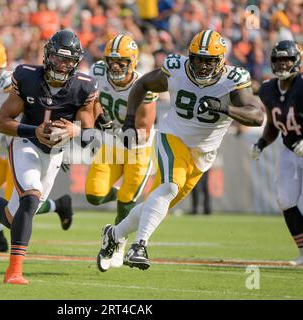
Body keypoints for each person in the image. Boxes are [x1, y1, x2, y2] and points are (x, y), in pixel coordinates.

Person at [97, 29, 264, 270]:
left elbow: (257, 116)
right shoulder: (176, 67)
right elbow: (142, 83)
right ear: (190, 56)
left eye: (209, 60)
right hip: (172, 136)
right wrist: (129, 119)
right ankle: (139, 246)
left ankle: (113, 234)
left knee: (157, 204)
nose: (203, 66)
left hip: (203, 153)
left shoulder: (233, 80)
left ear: (221, 61)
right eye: (198, 59)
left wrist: (225, 108)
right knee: (168, 187)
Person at [0, 30, 97, 284]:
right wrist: (34, 130)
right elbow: (2, 122)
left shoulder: (84, 85)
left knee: (13, 217)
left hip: (55, 153)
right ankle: (13, 271)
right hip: (25, 142)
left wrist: (75, 130)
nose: (64, 65)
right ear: (48, 56)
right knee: (30, 198)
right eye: (59, 58)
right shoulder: (26, 77)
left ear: (77, 62)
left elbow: (89, 128)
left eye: (69, 61)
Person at [0, 39, 74, 253]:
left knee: (17, 205)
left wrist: (59, 146)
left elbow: (36, 113)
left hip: (18, 145)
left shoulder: (11, 82)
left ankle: (58, 205)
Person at [86, 34, 157, 271]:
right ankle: (118, 193)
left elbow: (144, 128)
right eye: (111, 61)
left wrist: (116, 129)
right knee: (94, 195)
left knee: (128, 201)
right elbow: (91, 99)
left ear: (133, 62)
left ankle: (117, 244)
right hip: (112, 144)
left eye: (122, 62)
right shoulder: (97, 71)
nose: (115, 66)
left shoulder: (144, 84)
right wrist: (99, 119)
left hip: (138, 148)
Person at [250, 40, 303, 266]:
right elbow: (273, 123)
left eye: (287, 60)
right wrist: (262, 142)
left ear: (296, 61)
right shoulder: (267, 89)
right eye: (279, 60)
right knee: (285, 199)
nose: (283, 64)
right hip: (289, 148)